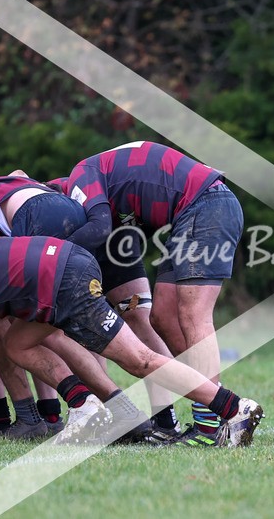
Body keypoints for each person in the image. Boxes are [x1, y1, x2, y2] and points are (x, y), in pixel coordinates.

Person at [0, 234, 263, 446]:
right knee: (17, 343)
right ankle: (83, 404)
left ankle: (235, 408)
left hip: (62, 277)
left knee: (140, 360)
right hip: (62, 263)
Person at [0, 169, 182, 441]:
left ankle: (116, 411)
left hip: (65, 220)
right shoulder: (14, 185)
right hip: (94, 219)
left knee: (54, 330)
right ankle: (114, 413)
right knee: (64, 328)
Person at [60, 141, 243, 446]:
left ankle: (211, 422)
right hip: (191, 212)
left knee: (192, 314)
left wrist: (54, 255)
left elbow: (99, 228)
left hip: (205, 203)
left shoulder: (81, 175)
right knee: (162, 317)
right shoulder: (97, 195)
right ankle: (214, 406)